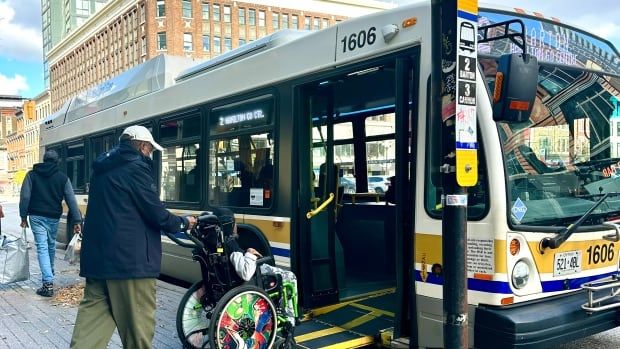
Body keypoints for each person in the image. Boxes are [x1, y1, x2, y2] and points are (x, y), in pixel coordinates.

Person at [70, 125, 197, 349]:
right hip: (130, 264)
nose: (149, 155)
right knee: (139, 331)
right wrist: (183, 222)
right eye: (149, 150)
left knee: (90, 330)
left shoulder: (102, 167)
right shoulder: (135, 167)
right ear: (142, 146)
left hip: (98, 262)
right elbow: (155, 212)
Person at [211, 207, 299, 326]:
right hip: (251, 274)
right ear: (229, 225)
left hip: (231, 275)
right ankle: (291, 318)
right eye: (234, 222)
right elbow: (245, 273)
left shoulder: (216, 242)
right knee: (290, 276)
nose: (236, 225)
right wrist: (250, 254)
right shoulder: (230, 245)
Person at [19, 149, 82, 297]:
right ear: (57, 161)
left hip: (36, 216)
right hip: (53, 217)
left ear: (43, 159)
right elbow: (71, 200)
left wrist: (23, 216)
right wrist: (77, 220)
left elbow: (25, 197)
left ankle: (48, 282)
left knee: (42, 247)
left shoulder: (31, 175)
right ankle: (49, 274)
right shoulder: (62, 178)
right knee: (50, 245)